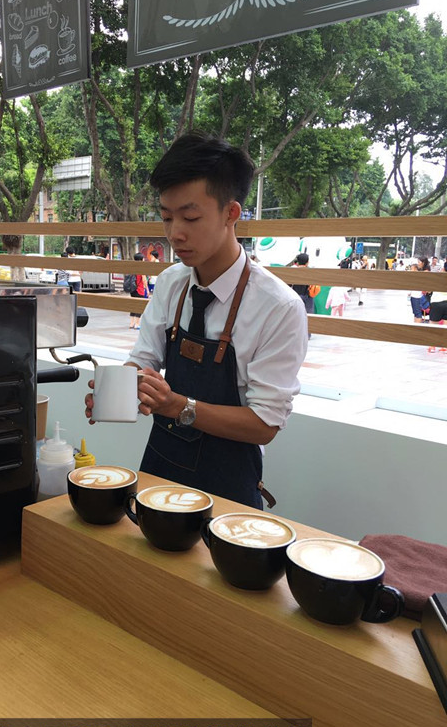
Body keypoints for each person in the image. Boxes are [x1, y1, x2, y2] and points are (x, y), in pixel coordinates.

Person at [85, 133, 308, 508]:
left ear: (231, 213)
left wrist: (176, 405)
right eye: (166, 217)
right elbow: (144, 359)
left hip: (229, 488)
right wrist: (118, 391)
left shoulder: (278, 307)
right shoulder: (171, 283)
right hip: (160, 473)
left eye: (190, 217)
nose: (175, 233)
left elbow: (264, 425)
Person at [129, 252, 149, 330]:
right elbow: (144, 280)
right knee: (139, 307)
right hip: (139, 290)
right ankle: (137, 324)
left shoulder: (132, 268)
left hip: (132, 290)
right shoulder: (141, 268)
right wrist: (147, 289)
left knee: (133, 306)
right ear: (141, 260)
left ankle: (131, 323)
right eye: (143, 258)